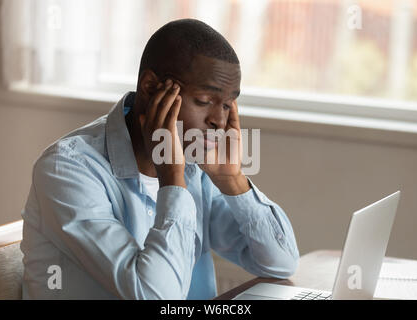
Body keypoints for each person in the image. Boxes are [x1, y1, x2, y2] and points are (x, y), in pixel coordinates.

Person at [20, 18, 299, 300]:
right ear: (152, 87)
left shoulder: (197, 164)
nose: (219, 120)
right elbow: (155, 296)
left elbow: (280, 263)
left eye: (227, 105)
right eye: (204, 101)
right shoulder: (67, 169)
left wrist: (232, 180)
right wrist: (172, 180)